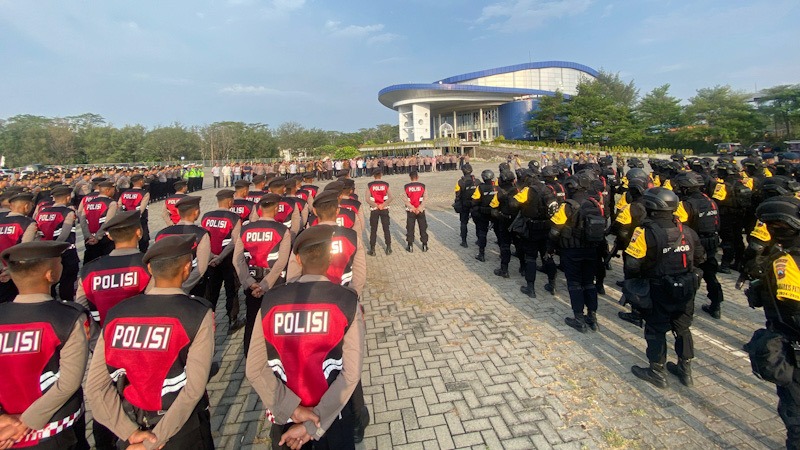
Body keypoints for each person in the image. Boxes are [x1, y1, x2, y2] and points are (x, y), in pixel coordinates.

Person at [85, 235, 215, 450]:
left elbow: (95, 387)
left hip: (132, 427)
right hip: (182, 429)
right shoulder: (197, 312)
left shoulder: (117, 313)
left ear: (150, 270)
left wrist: (129, 432)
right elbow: (193, 389)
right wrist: (154, 441)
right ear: (186, 269)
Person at [245, 225, 365, 450]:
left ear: (298, 260)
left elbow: (254, 369)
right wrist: (312, 424)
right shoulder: (347, 301)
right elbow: (351, 374)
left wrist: (293, 409)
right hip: (332, 419)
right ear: (330, 259)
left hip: (285, 421)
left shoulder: (271, 301)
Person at [0, 241, 90, 450]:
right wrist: (25, 423)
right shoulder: (68, 318)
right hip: (58, 431)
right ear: (50, 275)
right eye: (59, 262)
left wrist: (4, 419)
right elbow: (68, 383)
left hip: (6, 434)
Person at [625, 187, 705, 388]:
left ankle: (656, 371)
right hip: (686, 289)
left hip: (658, 289)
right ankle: (685, 370)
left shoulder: (644, 232)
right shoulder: (687, 231)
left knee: (655, 330)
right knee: (683, 329)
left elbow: (632, 265)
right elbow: (700, 257)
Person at [233, 193, 292, 356]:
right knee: (275, 319)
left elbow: (237, 260)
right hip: (274, 283)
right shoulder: (282, 230)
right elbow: (281, 262)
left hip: (252, 283)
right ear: (276, 210)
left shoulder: (245, 229)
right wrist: (265, 285)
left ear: (259, 210)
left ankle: (249, 355)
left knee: (252, 320)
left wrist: (249, 282)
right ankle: (274, 355)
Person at [549, 171, 605, 332]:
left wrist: (550, 248)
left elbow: (554, 231)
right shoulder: (594, 204)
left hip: (572, 251)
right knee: (589, 283)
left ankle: (579, 318)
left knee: (574, 284)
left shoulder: (567, 206)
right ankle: (592, 317)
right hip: (591, 251)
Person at [673, 172, 724, 319]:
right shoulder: (710, 201)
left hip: (695, 244)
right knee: (710, 274)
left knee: (690, 276)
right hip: (712, 242)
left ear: (685, 188)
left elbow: (680, 228)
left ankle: (686, 309)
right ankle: (716, 305)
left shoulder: (685, 205)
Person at [201, 189, 246, 333]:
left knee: (211, 292)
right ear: (230, 201)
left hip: (211, 260)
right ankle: (232, 320)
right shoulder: (234, 218)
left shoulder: (206, 217)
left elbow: (203, 240)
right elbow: (235, 241)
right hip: (228, 259)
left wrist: (212, 256)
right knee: (231, 290)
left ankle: (208, 322)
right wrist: (220, 257)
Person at [509, 170, 559, 298]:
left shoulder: (528, 190)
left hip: (532, 228)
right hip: (547, 227)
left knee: (530, 258)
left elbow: (513, 204)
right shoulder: (548, 189)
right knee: (547, 256)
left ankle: (530, 288)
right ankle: (552, 284)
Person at [155, 196, 211, 297]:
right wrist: (183, 287)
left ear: (178, 212)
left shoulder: (161, 234)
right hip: (193, 286)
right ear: (196, 212)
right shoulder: (201, 234)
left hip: (165, 286)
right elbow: (201, 267)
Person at [34, 186, 79, 303]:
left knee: (49, 280)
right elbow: (65, 234)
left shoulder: (42, 212)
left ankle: (50, 301)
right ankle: (67, 303)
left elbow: (37, 234)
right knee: (67, 281)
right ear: (68, 197)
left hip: (46, 252)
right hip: (66, 251)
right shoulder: (68, 212)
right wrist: (56, 248)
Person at [0, 193, 40, 303]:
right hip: (18, 271)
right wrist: (11, 270)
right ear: (26, 206)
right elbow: (25, 250)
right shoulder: (28, 223)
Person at [490, 170, 519, 277]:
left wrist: (499, 216)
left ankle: (504, 269)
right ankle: (523, 268)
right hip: (517, 221)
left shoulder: (499, 192)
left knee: (505, 245)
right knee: (519, 244)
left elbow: (493, 208)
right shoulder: (518, 190)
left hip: (505, 221)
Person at [81, 180, 118, 264]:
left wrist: (88, 236)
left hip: (89, 239)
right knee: (106, 263)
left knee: (91, 263)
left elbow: (83, 222)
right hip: (105, 238)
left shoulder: (88, 203)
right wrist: (97, 237)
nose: (114, 192)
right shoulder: (111, 203)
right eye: (113, 190)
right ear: (108, 190)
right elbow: (108, 222)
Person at [118, 174, 151, 252]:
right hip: (140, 220)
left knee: (129, 238)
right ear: (141, 181)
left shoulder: (125, 193)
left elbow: (119, 206)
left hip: (127, 219)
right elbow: (142, 208)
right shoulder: (144, 193)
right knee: (143, 239)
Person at [471, 170, 497, 262]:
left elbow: (474, 201)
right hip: (495, 213)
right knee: (499, 233)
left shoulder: (480, 187)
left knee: (482, 233)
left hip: (483, 213)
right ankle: (502, 254)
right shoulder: (496, 187)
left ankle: (481, 254)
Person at [366, 169, 393, 256]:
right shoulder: (386, 184)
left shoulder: (370, 185)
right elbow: (391, 197)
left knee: (373, 229)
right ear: (381, 175)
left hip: (374, 209)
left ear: (374, 176)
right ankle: (388, 247)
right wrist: (383, 204)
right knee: (386, 228)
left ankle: (372, 249)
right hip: (384, 209)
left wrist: (376, 205)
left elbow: (367, 199)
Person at [403, 171, 429, 252]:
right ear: (417, 177)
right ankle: (424, 245)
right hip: (420, 211)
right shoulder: (422, 186)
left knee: (410, 228)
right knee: (423, 227)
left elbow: (405, 199)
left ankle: (410, 245)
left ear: (410, 177)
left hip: (411, 211)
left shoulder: (406, 187)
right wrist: (420, 208)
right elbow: (425, 198)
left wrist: (412, 208)